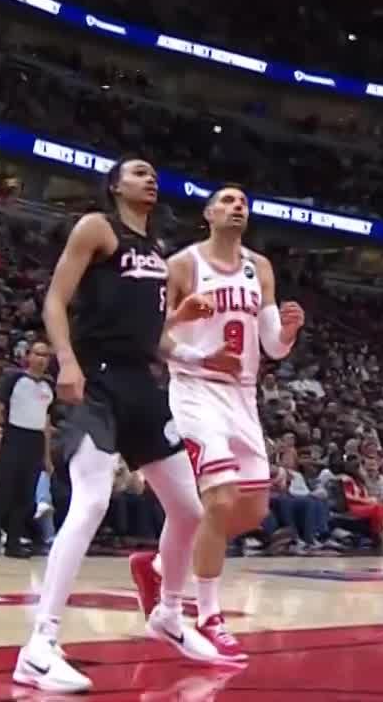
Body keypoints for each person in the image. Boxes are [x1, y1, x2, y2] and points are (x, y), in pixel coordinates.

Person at [14, 156, 214, 694]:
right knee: (92, 501)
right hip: (96, 381)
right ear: (115, 185)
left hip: (141, 386)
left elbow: (154, 339)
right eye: (138, 172)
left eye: (153, 173)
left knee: (189, 509)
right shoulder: (97, 228)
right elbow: (55, 300)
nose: (150, 178)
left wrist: (192, 348)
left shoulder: (156, 251)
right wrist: (66, 360)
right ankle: (39, 646)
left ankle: (168, 614)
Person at [132, 184, 304, 665]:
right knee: (220, 500)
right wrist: (199, 354)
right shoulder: (183, 265)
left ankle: (160, 565)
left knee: (251, 511)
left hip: (242, 395)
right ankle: (209, 615)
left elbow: (272, 345)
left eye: (243, 202)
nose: (237, 206)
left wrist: (288, 332)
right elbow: (152, 335)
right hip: (195, 389)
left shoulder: (260, 267)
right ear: (208, 213)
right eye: (226, 201)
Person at [0, 341, 55, 557]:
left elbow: (46, 423)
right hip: (14, 436)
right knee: (3, 491)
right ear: (28, 356)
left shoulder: (48, 386)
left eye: (46, 355)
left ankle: (14, 542)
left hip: (35, 441)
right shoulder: (14, 379)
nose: (41, 359)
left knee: (25, 495)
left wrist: (47, 457)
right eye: (38, 354)